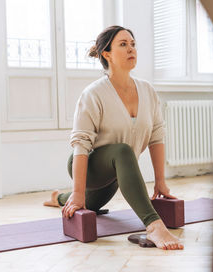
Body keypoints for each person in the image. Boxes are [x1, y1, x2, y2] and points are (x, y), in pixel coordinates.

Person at [43, 25, 184, 250]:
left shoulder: (147, 91)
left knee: (93, 203)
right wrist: (79, 192)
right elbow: (81, 144)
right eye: (123, 44)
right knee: (122, 151)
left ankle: (58, 198)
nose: (131, 49)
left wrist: (160, 182)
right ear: (106, 54)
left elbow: (157, 136)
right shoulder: (93, 93)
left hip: (117, 169)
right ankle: (154, 225)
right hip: (88, 164)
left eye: (133, 44)